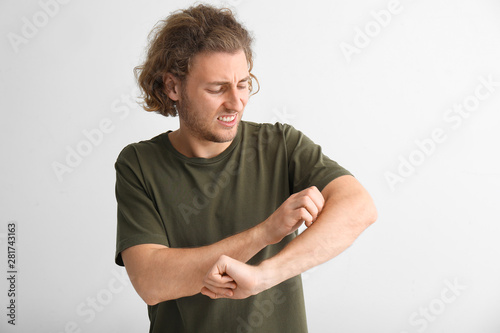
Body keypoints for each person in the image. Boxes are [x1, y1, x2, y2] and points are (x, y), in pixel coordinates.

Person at [114, 4, 377, 332]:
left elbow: (359, 207)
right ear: (173, 87)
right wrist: (266, 232)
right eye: (217, 88)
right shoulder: (139, 164)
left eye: (243, 83)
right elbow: (151, 281)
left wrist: (265, 275)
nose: (236, 102)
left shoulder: (281, 144)